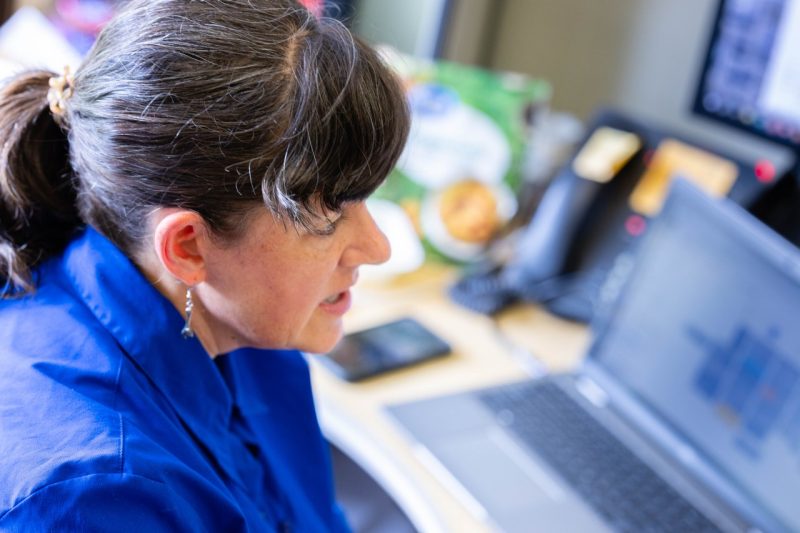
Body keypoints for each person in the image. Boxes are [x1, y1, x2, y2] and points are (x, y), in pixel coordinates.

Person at [0, 0, 409, 530]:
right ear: (188, 247)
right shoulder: (94, 498)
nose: (377, 248)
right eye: (328, 216)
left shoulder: (246, 323)